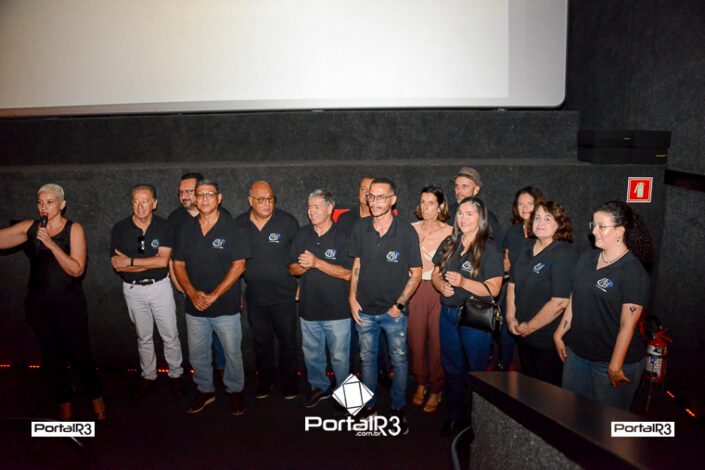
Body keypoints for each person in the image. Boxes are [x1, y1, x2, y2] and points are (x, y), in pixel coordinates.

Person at [0, 184, 105, 421]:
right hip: (38, 304)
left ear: (62, 204)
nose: (43, 207)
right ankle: (63, 401)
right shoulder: (31, 227)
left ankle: (96, 396)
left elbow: (76, 270)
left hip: (69, 303)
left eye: (49, 202)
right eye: (40, 202)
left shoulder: (73, 229)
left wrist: (50, 243)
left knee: (80, 354)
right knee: (52, 356)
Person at [554, 201, 653, 410]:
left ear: (620, 231)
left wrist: (615, 365)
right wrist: (559, 333)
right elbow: (575, 299)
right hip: (578, 355)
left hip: (611, 362)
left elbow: (627, 325)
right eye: (593, 225)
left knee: (604, 423)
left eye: (601, 226)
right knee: (570, 415)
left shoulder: (632, 271)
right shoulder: (587, 258)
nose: (594, 231)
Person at [349, 177, 422, 435]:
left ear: (393, 200)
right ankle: (369, 407)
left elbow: (416, 272)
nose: (375, 201)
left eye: (381, 197)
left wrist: (398, 305)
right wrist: (352, 298)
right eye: (371, 196)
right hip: (365, 310)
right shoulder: (360, 227)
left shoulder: (406, 231)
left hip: (394, 313)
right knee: (367, 360)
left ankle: (398, 408)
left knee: (399, 361)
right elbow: (357, 264)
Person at [172, 179, 250, 415]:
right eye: (200, 195)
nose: (205, 199)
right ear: (195, 199)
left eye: (210, 194)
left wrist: (214, 295)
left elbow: (239, 265)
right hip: (195, 306)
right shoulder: (186, 229)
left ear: (219, 198)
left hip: (225, 305)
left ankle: (234, 391)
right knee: (198, 354)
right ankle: (205, 390)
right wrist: (192, 292)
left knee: (232, 353)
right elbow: (178, 264)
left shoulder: (233, 227)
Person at [432, 196, 503, 436]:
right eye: (460, 213)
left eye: (469, 213)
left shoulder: (490, 248)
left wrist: (463, 282)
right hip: (448, 314)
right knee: (452, 368)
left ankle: (477, 422)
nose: (463, 218)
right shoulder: (450, 241)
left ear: (481, 217)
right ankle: (455, 415)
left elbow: (494, 289)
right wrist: (441, 285)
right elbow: (435, 273)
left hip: (474, 317)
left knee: (476, 372)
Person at [111, 184, 184, 398]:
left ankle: (176, 374)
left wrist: (131, 262)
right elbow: (118, 265)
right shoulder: (120, 228)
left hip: (159, 287)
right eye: (136, 201)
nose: (140, 206)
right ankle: (148, 375)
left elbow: (162, 262)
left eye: (145, 201)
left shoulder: (165, 226)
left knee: (170, 335)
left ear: (154, 203)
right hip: (133, 289)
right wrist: (147, 263)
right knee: (143, 337)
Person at [235, 181, 300, 399]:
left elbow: (301, 257)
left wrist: (300, 286)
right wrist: (236, 293)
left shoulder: (287, 221)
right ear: (250, 201)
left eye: (270, 198)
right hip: (255, 297)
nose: (267, 203)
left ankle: (289, 384)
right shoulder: (240, 224)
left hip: (284, 295)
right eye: (261, 199)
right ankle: (265, 382)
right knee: (261, 343)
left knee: (288, 342)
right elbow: (233, 262)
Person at [289, 189, 352, 408]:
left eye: (316, 207)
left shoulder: (343, 236)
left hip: (338, 310)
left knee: (340, 357)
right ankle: (319, 387)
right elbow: (292, 268)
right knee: (312, 354)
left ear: (330, 208)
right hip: (309, 309)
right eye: (309, 207)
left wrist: (317, 263)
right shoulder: (302, 234)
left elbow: (348, 273)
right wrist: (304, 266)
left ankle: (346, 395)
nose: (311, 211)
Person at [505, 200, 576, 386]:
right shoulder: (527, 247)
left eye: (547, 218)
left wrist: (529, 327)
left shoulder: (563, 254)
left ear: (559, 223)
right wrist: (510, 318)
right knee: (528, 389)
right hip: (522, 334)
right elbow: (512, 284)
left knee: (547, 393)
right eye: (537, 218)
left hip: (546, 340)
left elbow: (559, 302)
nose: (540, 223)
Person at [168, 172, 228, 383]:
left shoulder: (224, 216)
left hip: (220, 291)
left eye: (189, 191)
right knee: (198, 341)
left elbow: (233, 260)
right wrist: (180, 284)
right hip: (190, 289)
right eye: (181, 192)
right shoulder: (175, 219)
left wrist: (232, 292)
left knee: (222, 337)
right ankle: (204, 382)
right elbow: (172, 256)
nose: (184, 196)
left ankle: (222, 370)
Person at [408, 185, 452, 413]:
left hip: (437, 289)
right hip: (414, 288)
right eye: (423, 202)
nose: (426, 207)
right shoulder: (410, 229)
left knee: (437, 340)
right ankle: (421, 382)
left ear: (441, 206)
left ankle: (436, 387)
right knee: (415, 339)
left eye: (431, 203)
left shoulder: (450, 231)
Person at [499, 186, 544, 370]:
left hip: (535, 295)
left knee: (531, 342)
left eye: (529, 204)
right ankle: (503, 374)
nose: (524, 208)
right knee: (506, 337)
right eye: (520, 204)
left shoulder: (544, 232)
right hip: (511, 292)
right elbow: (506, 261)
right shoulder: (513, 231)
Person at [447, 167, 502, 239]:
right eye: (457, 186)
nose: (459, 191)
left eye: (464, 186)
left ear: (476, 190)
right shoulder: (447, 213)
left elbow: (497, 243)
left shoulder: (487, 217)